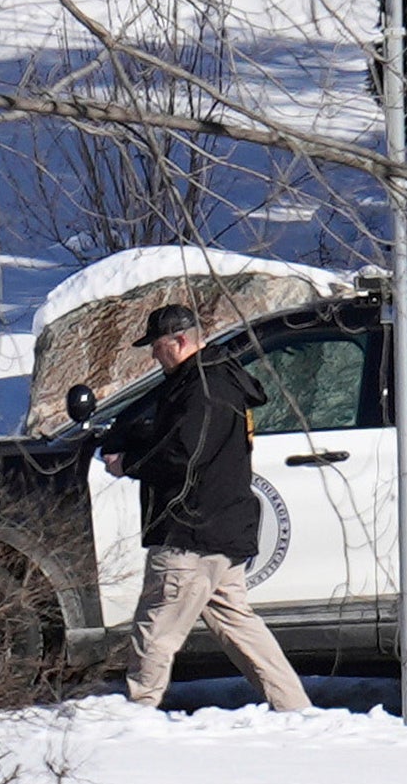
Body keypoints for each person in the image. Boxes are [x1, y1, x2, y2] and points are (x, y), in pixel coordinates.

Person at [101, 304, 307, 712]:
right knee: (241, 628)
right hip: (223, 529)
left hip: (188, 532)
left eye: (158, 347)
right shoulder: (221, 378)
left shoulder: (200, 388)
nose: (154, 357)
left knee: (155, 631)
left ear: (179, 341)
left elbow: (183, 453)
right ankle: (297, 712)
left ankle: (134, 718)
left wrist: (129, 463)